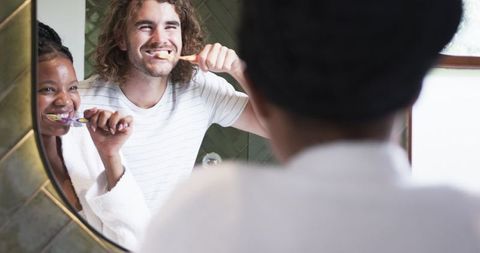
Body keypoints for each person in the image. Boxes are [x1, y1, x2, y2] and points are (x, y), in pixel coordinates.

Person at [139, 0, 480, 252]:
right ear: (414, 89)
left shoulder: (209, 207)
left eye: (170, 26)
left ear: (256, 88)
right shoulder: (466, 224)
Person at [77, 0, 266, 211]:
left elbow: (276, 128)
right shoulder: (79, 100)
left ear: (182, 36)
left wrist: (239, 70)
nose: (160, 39)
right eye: (146, 26)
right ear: (121, 38)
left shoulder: (201, 87)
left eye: (170, 27)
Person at [37, 21, 149, 251]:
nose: (65, 101)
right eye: (48, 89)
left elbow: (139, 242)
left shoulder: (89, 144)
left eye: (72, 87)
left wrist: (110, 156)